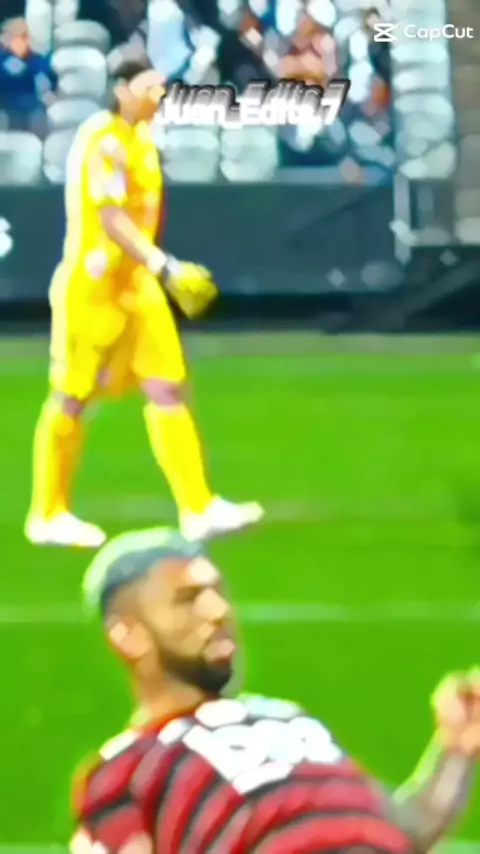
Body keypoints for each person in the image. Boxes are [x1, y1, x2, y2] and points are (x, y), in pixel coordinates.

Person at [71, 526, 479, 854]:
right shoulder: (127, 769)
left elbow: (402, 832)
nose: (219, 611)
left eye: (218, 593)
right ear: (128, 633)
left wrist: (457, 749)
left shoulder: (286, 718)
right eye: (187, 599)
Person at [25, 44, 263, 549]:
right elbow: (110, 217)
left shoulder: (142, 138)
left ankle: (197, 508)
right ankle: (47, 512)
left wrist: (152, 270)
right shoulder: (104, 140)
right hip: (94, 287)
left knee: (167, 388)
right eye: (149, 85)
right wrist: (163, 264)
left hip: (136, 286)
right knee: (72, 396)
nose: (159, 93)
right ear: (121, 89)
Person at [0, 17, 57, 135]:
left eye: (20, 39)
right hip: (5, 109)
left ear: (26, 39)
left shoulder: (39, 62)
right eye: (12, 39)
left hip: (32, 110)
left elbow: (51, 84)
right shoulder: (2, 60)